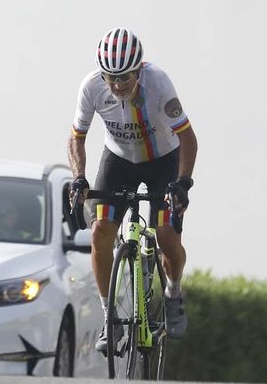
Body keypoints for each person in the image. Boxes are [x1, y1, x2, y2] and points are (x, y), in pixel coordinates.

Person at [67, 28, 197, 355]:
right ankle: (110, 318)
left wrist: (183, 182)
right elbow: (76, 138)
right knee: (100, 233)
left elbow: (188, 137)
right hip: (119, 161)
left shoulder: (158, 83)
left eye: (125, 77)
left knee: (167, 237)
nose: (117, 85)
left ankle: (173, 291)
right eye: (110, 77)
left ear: (139, 69)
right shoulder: (91, 87)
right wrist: (79, 177)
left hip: (163, 162)